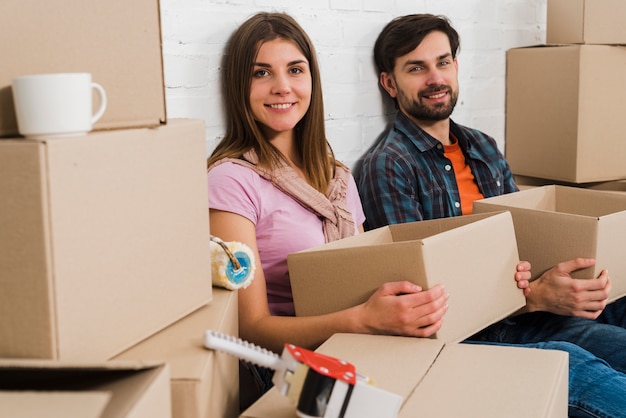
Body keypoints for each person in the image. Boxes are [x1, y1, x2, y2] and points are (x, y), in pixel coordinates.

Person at [358, 13, 626, 417]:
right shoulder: (388, 166)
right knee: (584, 369)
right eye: (417, 68)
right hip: (476, 332)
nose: (435, 78)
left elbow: (526, 238)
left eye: (443, 62)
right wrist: (536, 296)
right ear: (390, 84)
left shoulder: (481, 145)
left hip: (526, 307)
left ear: (456, 66)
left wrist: (561, 284)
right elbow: (427, 299)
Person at [207, 11, 449, 407]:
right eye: (261, 73)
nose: (282, 87)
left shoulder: (337, 177)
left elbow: (363, 274)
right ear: (239, 86)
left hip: (361, 348)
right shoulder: (231, 181)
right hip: (290, 371)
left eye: (295, 70)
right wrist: (363, 320)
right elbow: (247, 328)